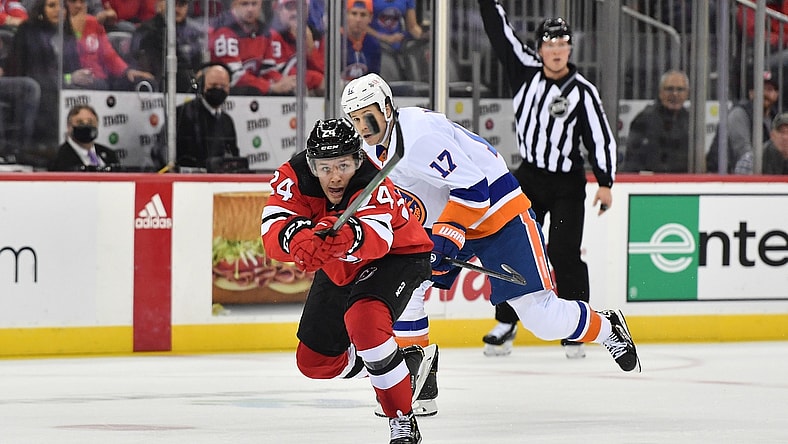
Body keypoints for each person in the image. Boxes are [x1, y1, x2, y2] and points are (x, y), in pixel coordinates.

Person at [341, 74, 639, 386]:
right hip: (451, 215)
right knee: (409, 289)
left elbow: (474, 189)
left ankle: (608, 328)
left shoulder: (419, 138)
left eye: (368, 117)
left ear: (387, 108)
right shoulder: (372, 147)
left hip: (499, 215)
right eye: (355, 119)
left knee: (542, 318)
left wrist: (444, 238)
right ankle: (419, 382)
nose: (362, 127)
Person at [260, 118, 435, 444]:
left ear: (356, 159)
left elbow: (379, 238)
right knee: (313, 362)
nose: (336, 175)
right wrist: (297, 241)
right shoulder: (293, 176)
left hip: (398, 256)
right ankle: (400, 367)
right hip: (340, 266)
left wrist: (344, 238)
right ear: (312, 164)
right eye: (325, 167)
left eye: (343, 165)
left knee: (364, 321)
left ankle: (402, 419)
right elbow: (273, 226)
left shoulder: (372, 180)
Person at [477, 3, 618, 359]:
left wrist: (605, 181)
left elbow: (599, 137)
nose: (556, 51)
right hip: (528, 179)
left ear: (570, 49)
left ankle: (577, 326)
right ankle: (506, 321)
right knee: (512, 249)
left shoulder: (582, 91)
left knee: (563, 253)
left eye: (562, 44)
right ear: (539, 49)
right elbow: (500, 33)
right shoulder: (524, 72)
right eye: (549, 44)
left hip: (567, 183)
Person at [9, 0, 79, 158]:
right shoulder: (27, 30)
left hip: (60, 82)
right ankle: (40, 145)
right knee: (47, 87)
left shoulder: (67, 34)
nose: (58, 11)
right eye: (52, 6)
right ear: (41, 9)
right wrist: (66, 77)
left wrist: (79, 77)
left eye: (62, 7)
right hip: (33, 81)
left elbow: (73, 69)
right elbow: (24, 67)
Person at [209, 0, 296, 95]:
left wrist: (283, 81)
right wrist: (270, 87)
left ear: (260, 5)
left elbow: (267, 70)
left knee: (289, 92)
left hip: (254, 87)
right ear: (234, 6)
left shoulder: (264, 32)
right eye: (244, 4)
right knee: (253, 91)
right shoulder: (224, 31)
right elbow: (235, 77)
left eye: (254, 4)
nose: (250, 9)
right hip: (226, 91)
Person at [63, 0, 155, 91]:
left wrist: (127, 71)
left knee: (145, 82)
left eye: (82, 2)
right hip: (73, 80)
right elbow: (64, 62)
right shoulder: (58, 28)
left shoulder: (93, 22)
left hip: (100, 78)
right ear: (64, 5)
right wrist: (76, 33)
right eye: (73, 1)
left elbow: (109, 55)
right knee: (96, 85)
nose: (78, 6)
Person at [169, 63, 239, 171]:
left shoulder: (227, 121)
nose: (218, 89)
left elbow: (234, 159)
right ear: (202, 85)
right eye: (214, 85)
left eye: (223, 86)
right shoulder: (182, 114)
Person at [707, 70, 780, 174]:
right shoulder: (739, 114)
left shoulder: (776, 118)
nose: (765, 93)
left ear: (776, 94)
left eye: (770, 89)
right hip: (727, 180)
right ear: (751, 93)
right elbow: (744, 156)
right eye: (760, 89)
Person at [623, 69, 690, 173]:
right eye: (669, 89)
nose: (675, 94)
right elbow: (632, 163)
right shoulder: (644, 119)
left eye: (680, 89)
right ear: (660, 92)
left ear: (687, 93)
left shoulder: (690, 121)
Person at [130, 0, 205, 92]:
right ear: (160, 4)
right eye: (173, 4)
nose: (177, 9)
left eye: (181, 4)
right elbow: (135, 58)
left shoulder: (194, 32)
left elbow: (198, 64)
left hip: (187, 84)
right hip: (154, 85)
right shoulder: (146, 30)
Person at [261, 0, 325, 95]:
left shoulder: (317, 37)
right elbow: (273, 73)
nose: (295, 12)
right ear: (278, 10)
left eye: (301, 7)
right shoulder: (270, 36)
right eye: (289, 7)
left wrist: (310, 50)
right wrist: (315, 79)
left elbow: (325, 76)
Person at [50, 104, 120, 171]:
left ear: (97, 125)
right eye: (80, 123)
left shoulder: (110, 155)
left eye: (90, 122)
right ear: (69, 127)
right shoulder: (59, 158)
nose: (86, 126)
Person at [342, 0, 381, 81]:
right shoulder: (334, 41)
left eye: (363, 15)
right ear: (346, 15)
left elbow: (374, 78)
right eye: (354, 13)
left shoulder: (373, 44)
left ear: (370, 18)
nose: (358, 19)